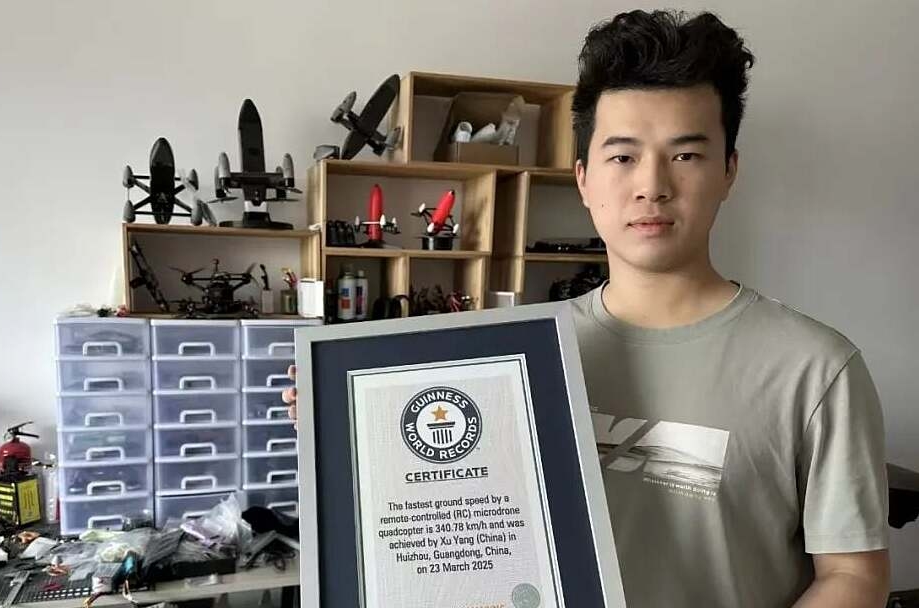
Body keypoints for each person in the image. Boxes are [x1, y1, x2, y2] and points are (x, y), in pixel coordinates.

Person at [284, 9, 891, 607]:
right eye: (623, 156)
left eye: (686, 155)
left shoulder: (814, 369)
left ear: (729, 170)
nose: (651, 186)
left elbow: (854, 576)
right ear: (583, 178)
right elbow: (452, 514)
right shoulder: (511, 360)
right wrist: (346, 426)